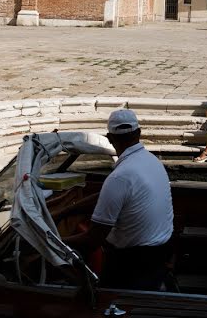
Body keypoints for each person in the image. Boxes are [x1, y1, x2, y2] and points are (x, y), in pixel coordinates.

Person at [65, 109, 174, 290]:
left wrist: (55, 240)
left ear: (109, 137)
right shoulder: (152, 161)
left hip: (131, 263)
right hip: (160, 253)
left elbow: (92, 240)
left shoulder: (119, 178)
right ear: (139, 133)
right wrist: (67, 210)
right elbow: (107, 197)